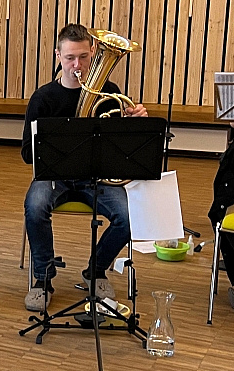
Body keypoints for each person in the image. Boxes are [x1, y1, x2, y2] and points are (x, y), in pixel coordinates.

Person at [21, 23, 148, 312]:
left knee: (129, 216)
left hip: (96, 177)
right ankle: (43, 279)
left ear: (92, 53)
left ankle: (96, 270)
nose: (77, 65)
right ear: (58, 56)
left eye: (83, 57)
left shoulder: (110, 92)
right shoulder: (43, 98)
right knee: (35, 207)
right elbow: (27, 153)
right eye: (69, 58)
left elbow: (123, 150)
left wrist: (135, 125)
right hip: (54, 177)